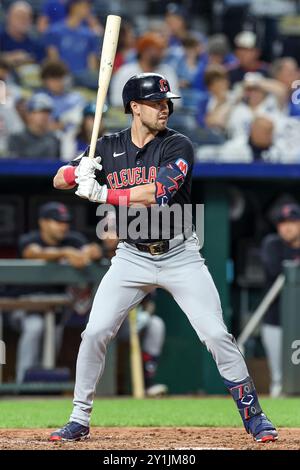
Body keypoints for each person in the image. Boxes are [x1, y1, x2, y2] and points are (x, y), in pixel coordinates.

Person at [50, 72, 277, 442]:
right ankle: (79, 418)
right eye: (156, 103)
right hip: (130, 257)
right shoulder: (107, 146)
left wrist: (103, 194)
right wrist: (79, 170)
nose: (164, 108)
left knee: (218, 335)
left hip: (179, 255)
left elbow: (157, 192)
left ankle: (254, 417)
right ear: (134, 108)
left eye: (166, 102)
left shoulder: (178, 145)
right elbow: (57, 180)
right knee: (94, 332)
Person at [16, 201, 102, 383]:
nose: (63, 226)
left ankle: (45, 386)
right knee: (35, 327)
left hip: (55, 309)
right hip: (21, 306)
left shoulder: (74, 240)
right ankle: (22, 385)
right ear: (43, 223)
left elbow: (93, 251)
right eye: (57, 221)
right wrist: (65, 253)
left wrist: (86, 252)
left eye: (65, 221)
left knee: (53, 334)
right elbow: (31, 252)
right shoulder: (30, 239)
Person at [100, 225, 167, 397]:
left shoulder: (139, 257)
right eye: (106, 230)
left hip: (130, 321)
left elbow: (150, 303)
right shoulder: (94, 256)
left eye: (115, 230)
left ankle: (147, 382)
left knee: (155, 324)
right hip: (103, 320)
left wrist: (144, 313)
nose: (110, 236)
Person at [261, 203, 300, 397]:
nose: (287, 227)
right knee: (278, 378)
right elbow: (276, 270)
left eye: (292, 222)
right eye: (283, 223)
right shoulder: (272, 244)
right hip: (275, 318)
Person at [110, 32, 180, 108]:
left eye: (162, 50)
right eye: (158, 50)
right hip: (129, 116)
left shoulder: (168, 72)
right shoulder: (125, 71)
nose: (162, 53)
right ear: (145, 51)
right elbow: (116, 100)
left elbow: (176, 102)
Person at [44, 0, 100, 79]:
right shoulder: (54, 31)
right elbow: (53, 60)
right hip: (62, 78)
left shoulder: (89, 34)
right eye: (85, 5)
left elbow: (92, 62)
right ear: (74, 6)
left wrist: (91, 79)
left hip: (84, 81)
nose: (89, 8)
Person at [8, 93, 61, 159]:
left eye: (47, 112)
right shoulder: (16, 137)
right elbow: (12, 165)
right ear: (29, 114)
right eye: (39, 112)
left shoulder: (54, 138)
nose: (43, 116)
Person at [0, 1, 45, 67]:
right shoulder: (1, 38)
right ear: (9, 17)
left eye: (27, 17)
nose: (23, 20)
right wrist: (8, 58)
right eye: (19, 16)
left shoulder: (36, 43)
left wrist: (29, 60)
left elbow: (41, 64)